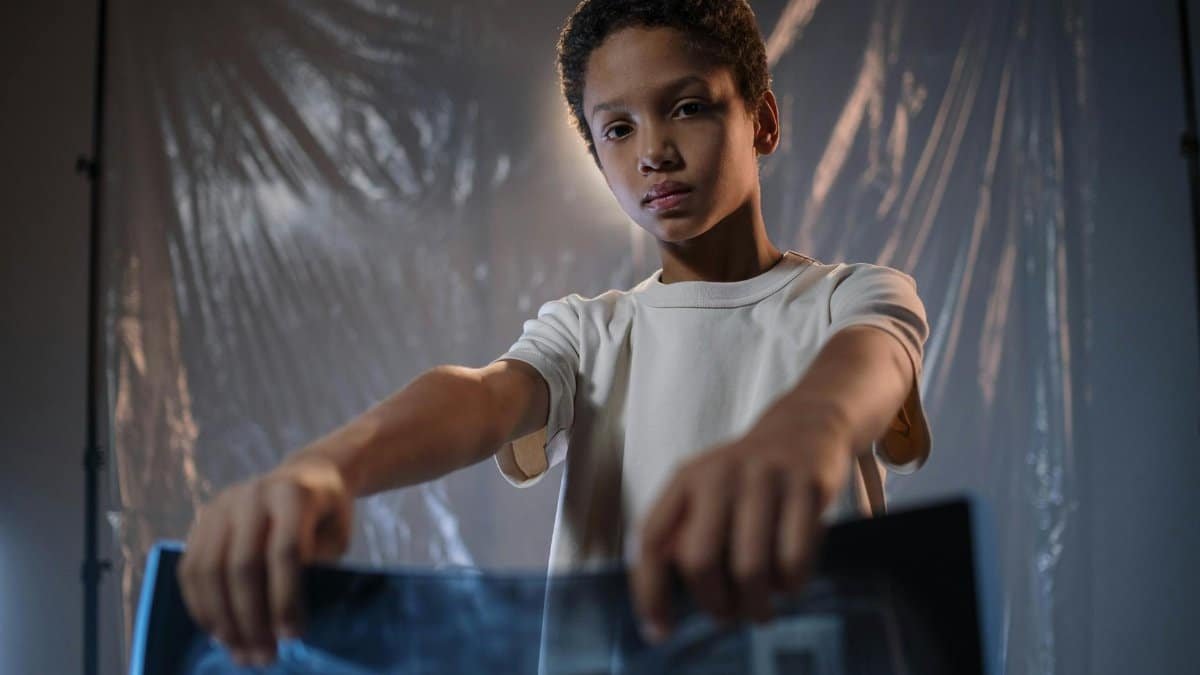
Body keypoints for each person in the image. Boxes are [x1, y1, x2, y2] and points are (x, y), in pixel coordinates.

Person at [177, 0, 932, 667]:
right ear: (598, 156)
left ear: (761, 119)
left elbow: (864, 367)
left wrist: (807, 429)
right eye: (619, 127)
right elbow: (480, 396)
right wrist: (328, 466)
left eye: (689, 107)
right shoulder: (588, 329)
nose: (653, 151)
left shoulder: (852, 295)